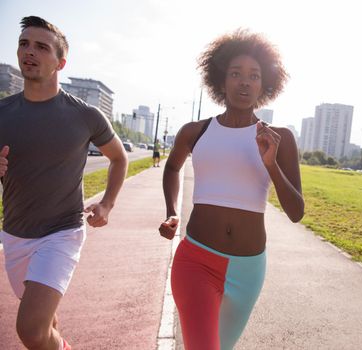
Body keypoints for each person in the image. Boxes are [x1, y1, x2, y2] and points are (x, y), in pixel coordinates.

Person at [159, 29, 304, 350]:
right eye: (236, 74)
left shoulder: (280, 138)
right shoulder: (195, 131)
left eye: (254, 75)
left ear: (264, 84)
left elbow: (296, 212)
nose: (244, 82)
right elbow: (171, 167)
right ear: (221, 80)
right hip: (196, 259)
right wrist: (171, 212)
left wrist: (270, 164)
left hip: (248, 269)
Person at [0, 16, 128, 350]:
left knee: (29, 329)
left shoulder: (84, 115)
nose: (30, 52)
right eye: (24, 44)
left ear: (61, 62)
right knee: (45, 322)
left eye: (41, 47)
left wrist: (107, 204)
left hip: (62, 232)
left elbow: (118, 157)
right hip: (14, 234)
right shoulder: (2, 112)